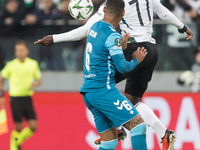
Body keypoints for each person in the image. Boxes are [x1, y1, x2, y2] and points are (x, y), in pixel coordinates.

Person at [35, 0, 193, 149]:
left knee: (104, 84)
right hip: (150, 51)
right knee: (132, 103)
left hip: (133, 50)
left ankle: (116, 124)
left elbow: (86, 31)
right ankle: (163, 132)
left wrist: (55, 38)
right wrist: (182, 27)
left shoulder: (110, 15)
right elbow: (163, 12)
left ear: (105, 10)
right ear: (122, 13)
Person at [80, 0, 148, 149]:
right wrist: (137, 60)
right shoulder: (113, 35)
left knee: (109, 142)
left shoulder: (94, 27)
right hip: (103, 91)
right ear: (123, 13)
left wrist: (120, 47)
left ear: (104, 9)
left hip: (89, 92)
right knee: (138, 126)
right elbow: (123, 68)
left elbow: (101, 52)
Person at [0, 40, 42, 150]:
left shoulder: (33, 64)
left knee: (33, 126)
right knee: (18, 127)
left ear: (26, 51)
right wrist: (1, 95)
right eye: (17, 50)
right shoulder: (11, 65)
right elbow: (1, 79)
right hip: (15, 98)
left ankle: (17, 140)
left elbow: (39, 80)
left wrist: (35, 83)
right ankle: (14, 146)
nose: (19, 53)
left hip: (27, 97)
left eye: (21, 50)